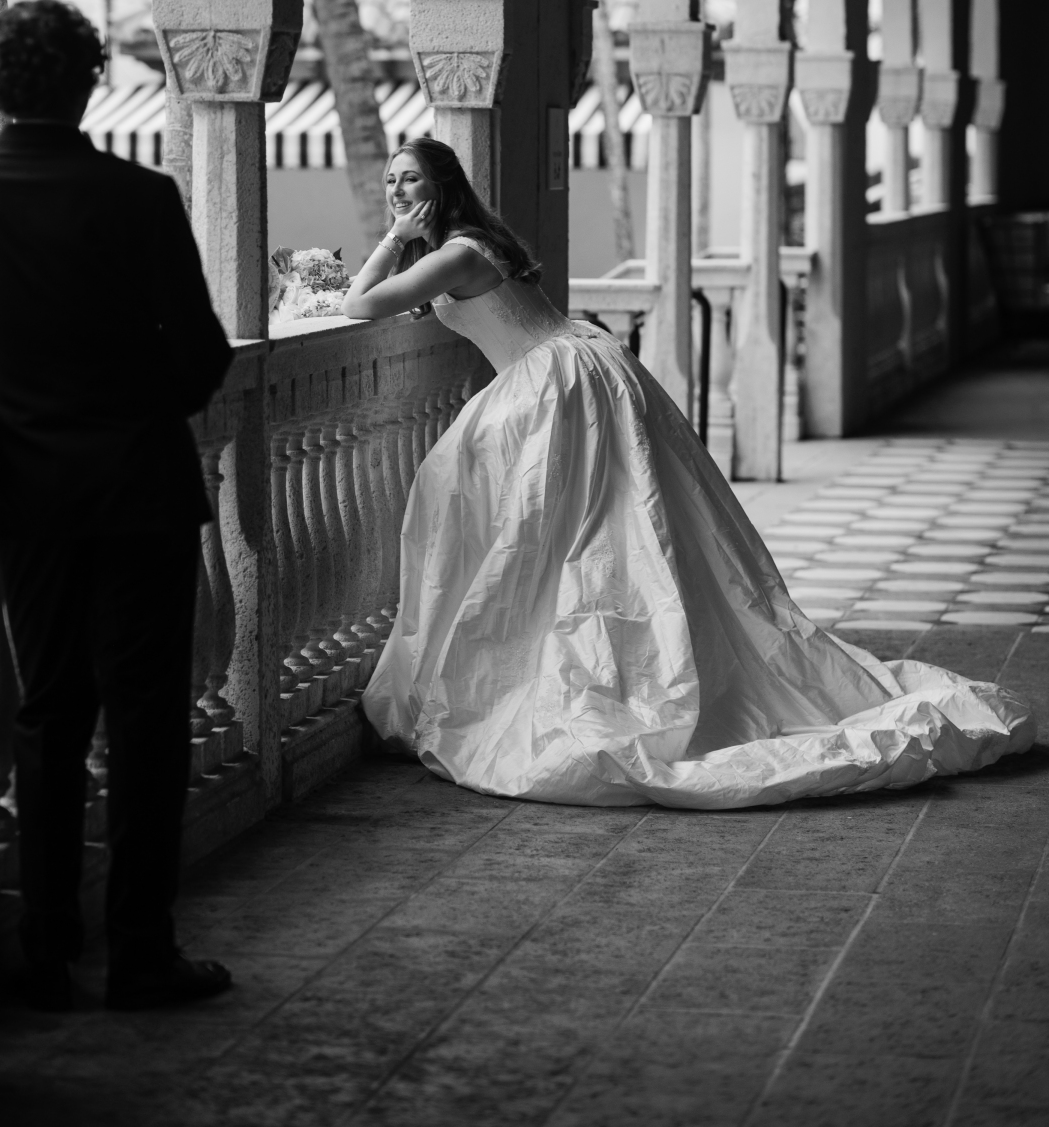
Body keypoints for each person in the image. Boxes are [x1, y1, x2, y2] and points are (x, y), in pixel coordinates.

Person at [345, 137, 1034, 808]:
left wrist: (392, 239)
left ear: (442, 185)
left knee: (577, 526)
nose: (399, 192)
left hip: (554, 380)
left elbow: (358, 303)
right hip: (569, 364)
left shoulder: (459, 250)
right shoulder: (467, 246)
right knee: (576, 524)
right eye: (391, 183)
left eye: (410, 180)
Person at [0, 0, 235, 1010]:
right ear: (90, 78)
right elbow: (200, 357)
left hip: (30, 491)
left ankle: (45, 948)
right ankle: (140, 952)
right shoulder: (139, 196)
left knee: (48, 718)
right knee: (146, 725)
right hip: (139, 486)